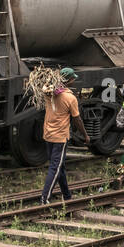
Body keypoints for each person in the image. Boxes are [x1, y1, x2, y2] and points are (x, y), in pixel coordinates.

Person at [41, 66, 88, 205]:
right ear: (69, 80)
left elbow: (47, 87)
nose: (74, 80)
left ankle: (67, 196)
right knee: (55, 168)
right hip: (60, 137)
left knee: (60, 167)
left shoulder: (48, 93)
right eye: (73, 78)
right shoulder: (70, 98)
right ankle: (45, 198)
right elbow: (77, 119)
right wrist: (85, 135)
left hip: (48, 134)